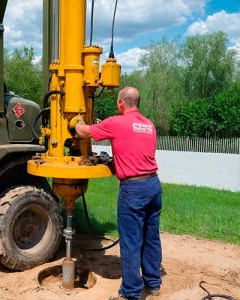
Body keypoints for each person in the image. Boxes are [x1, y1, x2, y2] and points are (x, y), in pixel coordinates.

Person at [75, 87, 162, 300]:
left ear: (121, 103)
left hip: (133, 189)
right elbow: (135, 150)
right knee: (151, 237)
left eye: (117, 102)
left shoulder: (116, 122)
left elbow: (83, 132)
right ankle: (153, 284)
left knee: (131, 241)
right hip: (153, 185)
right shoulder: (149, 125)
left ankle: (131, 293)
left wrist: (76, 121)